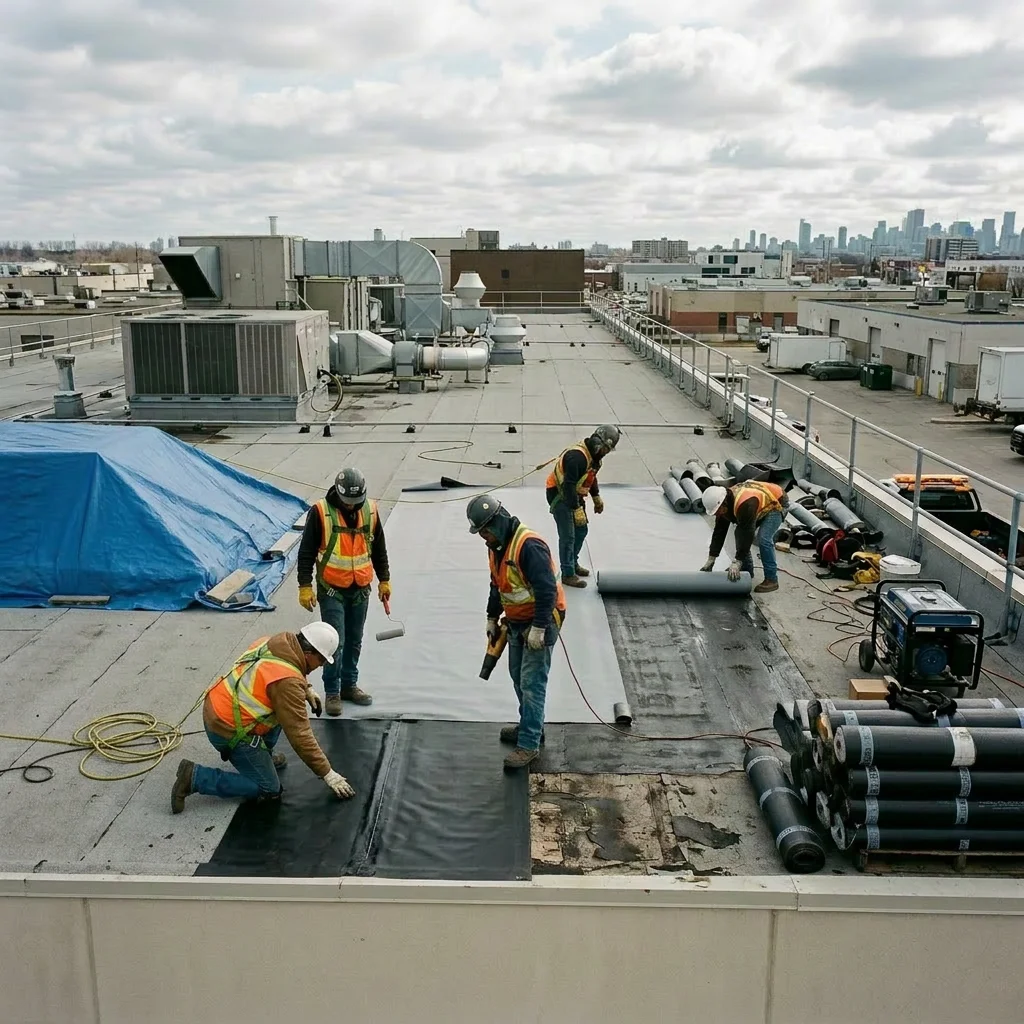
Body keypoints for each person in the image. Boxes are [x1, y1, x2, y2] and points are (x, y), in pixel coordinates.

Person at [171, 622, 355, 813]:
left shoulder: (272, 642)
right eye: (322, 661)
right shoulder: (287, 683)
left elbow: (287, 667)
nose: (321, 666)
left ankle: (261, 757)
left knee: (283, 711)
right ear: (309, 654)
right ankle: (195, 777)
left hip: (220, 706)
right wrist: (327, 773)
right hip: (226, 729)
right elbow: (300, 735)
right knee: (268, 789)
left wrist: (306, 688)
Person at [468, 493, 566, 770]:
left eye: (484, 531)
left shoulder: (529, 546)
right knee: (517, 675)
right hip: (516, 621)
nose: (483, 537)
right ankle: (530, 725)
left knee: (532, 683)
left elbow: (547, 590)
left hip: (542, 619)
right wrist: (491, 616)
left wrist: (539, 628)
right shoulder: (497, 546)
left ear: (496, 522)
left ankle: (529, 744)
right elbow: (496, 584)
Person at [296, 467, 391, 715]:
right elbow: (306, 552)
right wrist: (305, 585)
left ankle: (350, 685)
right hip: (332, 589)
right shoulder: (321, 512)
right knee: (334, 642)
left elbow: (379, 548)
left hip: (360, 588)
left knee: (355, 640)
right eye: (348, 502)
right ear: (338, 495)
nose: (352, 507)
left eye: (355, 502)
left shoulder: (370, 510)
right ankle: (332, 692)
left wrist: (384, 580)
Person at [545, 424, 620, 588]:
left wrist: (596, 496)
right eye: (605, 449)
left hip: (574, 495)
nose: (605, 453)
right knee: (568, 536)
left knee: (581, 530)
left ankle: (573, 563)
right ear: (598, 443)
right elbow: (568, 486)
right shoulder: (577, 457)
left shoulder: (595, 459)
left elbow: (590, 476)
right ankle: (568, 573)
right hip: (559, 495)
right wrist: (576, 508)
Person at [700, 481, 790, 594]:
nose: (717, 514)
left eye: (717, 512)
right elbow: (719, 532)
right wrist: (711, 559)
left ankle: (771, 579)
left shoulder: (746, 504)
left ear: (723, 504)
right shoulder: (723, 505)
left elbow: (747, 534)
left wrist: (737, 561)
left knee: (764, 539)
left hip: (777, 501)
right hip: (760, 500)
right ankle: (746, 569)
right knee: (739, 533)